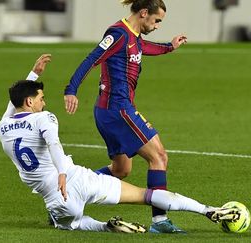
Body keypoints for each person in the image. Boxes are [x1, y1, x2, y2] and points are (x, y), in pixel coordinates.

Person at [0, 54, 239, 233]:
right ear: (30, 102)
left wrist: (34, 74)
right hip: (77, 180)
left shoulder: (3, 126)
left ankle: (106, 226)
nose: (44, 103)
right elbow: (54, 145)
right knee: (147, 195)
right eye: (40, 98)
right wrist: (62, 172)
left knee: (75, 223)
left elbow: (13, 105)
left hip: (56, 200)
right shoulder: (44, 118)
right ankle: (208, 210)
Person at [63, 0, 188, 233]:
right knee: (159, 156)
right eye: (157, 20)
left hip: (109, 111)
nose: (158, 25)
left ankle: (68, 195)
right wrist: (71, 89)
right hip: (118, 110)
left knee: (121, 170)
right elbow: (92, 59)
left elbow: (143, 49)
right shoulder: (118, 34)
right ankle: (160, 221)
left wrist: (169, 47)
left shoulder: (133, 36)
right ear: (143, 13)